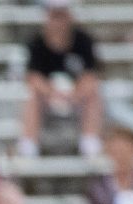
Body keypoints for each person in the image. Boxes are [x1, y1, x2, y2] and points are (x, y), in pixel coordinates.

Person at [22, 0, 103, 158]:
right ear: (48, 18)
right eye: (55, 16)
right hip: (48, 99)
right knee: (31, 96)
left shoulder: (83, 41)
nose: (59, 23)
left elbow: (90, 76)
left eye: (62, 16)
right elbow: (33, 77)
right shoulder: (37, 43)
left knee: (93, 94)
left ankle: (89, 141)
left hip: (77, 98)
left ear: (69, 17)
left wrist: (74, 94)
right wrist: (52, 93)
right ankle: (29, 144)